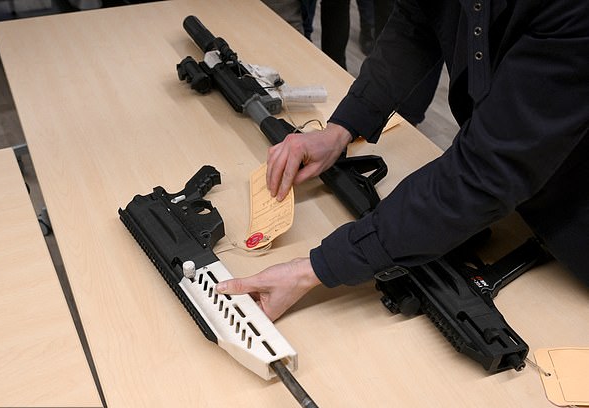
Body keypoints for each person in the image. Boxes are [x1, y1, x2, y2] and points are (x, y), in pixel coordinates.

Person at [217, 0, 589, 322]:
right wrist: (342, 128)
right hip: (515, 192)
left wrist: (312, 269)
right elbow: (416, 24)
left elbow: (486, 172)